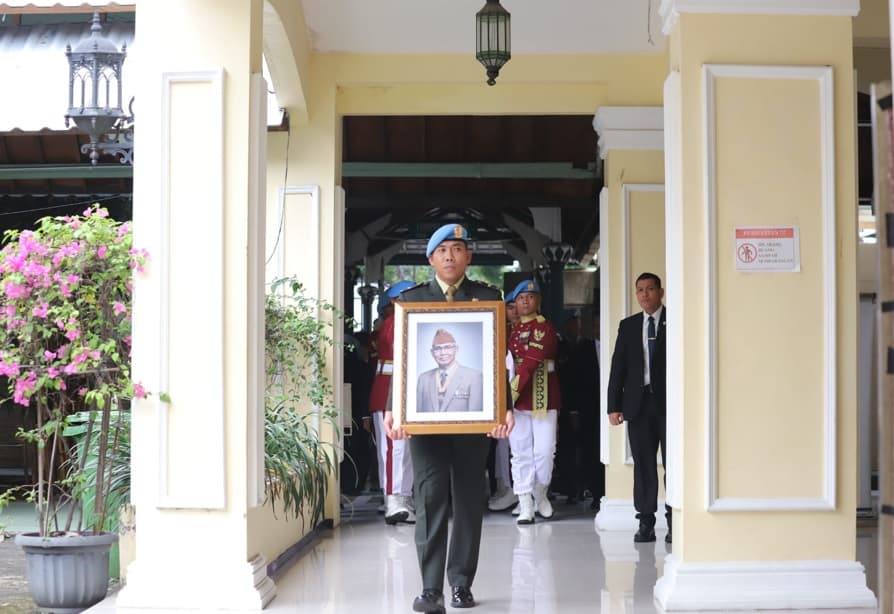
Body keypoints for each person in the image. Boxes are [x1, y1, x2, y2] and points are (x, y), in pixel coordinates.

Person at [385, 223, 514, 614]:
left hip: (474, 422)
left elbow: (497, 361)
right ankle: (430, 590)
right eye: (442, 250)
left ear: (468, 257)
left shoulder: (488, 298)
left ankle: (460, 583)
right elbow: (401, 361)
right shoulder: (412, 300)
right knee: (429, 500)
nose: (449, 257)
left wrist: (502, 407)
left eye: (457, 249)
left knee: (470, 501)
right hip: (425, 423)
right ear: (430, 258)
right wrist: (395, 408)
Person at [606, 272, 669, 544]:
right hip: (638, 404)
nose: (645, 295)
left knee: (673, 463)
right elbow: (617, 367)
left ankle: (674, 519)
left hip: (668, 404)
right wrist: (613, 405)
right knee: (643, 464)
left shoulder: (675, 321)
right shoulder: (629, 325)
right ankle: (645, 521)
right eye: (640, 290)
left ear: (661, 292)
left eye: (650, 289)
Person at [507, 279, 561, 525]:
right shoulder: (511, 331)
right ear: (515, 304)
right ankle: (525, 501)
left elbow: (531, 360)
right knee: (520, 453)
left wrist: (511, 393)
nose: (525, 301)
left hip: (542, 396)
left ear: (538, 301)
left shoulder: (544, 328)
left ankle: (540, 492)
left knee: (544, 451)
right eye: (520, 298)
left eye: (530, 297)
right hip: (517, 401)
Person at [368, 280, 416, 525]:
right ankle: (394, 498)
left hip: (400, 390)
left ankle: (402, 496)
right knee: (393, 449)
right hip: (389, 390)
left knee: (404, 450)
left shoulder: (402, 321)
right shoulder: (395, 322)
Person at [488, 289, 519, 512]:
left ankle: (521, 490)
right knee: (502, 446)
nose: (514, 311)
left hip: (526, 398)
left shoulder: (533, 329)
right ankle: (505, 486)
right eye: (509, 307)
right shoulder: (498, 330)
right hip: (502, 397)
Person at [416, 329, 484, 413]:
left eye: (447, 347)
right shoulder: (423, 379)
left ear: (456, 349)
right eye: (437, 348)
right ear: (432, 352)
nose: (443, 353)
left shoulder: (474, 377)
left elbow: (477, 418)